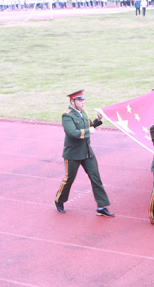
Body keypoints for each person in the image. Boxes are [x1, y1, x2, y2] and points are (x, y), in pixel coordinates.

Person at [54, 89, 114, 217]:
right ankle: (59, 200)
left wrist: (97, 121)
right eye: (80, 100)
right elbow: (73, 132)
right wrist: (89, 131)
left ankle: (101, 206)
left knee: (96, 178)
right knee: (69, 179)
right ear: (72, 101)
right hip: (73, 153)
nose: (83, 102)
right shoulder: (67, 115)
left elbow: (89, 124)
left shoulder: (83, 113)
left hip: (87, 152)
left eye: (83, 100)